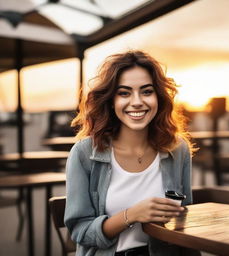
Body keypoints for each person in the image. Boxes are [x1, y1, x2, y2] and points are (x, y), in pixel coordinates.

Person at [64, 50, 198, 256]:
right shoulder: (84, 154)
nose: (137, 102)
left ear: (159, 98)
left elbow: (184, 217)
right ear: (110, 100)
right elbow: (80, 231)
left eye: (146, 91)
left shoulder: (177, 149)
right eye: (124, 93)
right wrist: (131, 215)